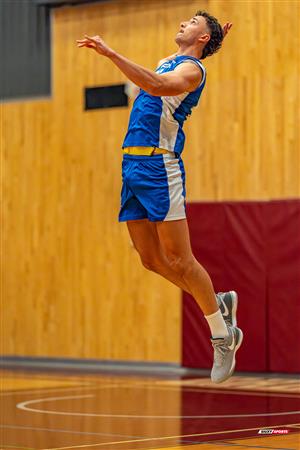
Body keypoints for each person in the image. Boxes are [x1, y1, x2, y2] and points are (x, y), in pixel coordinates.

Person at [77, 10, 243, 383]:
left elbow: (157, 85)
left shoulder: (192, 72)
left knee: (181, 261)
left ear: (202, 38)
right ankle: (218, 303)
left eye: (194, 22)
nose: (185, 22)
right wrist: (214, 39)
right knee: (150, 260)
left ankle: (222, 336)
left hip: (159, 166)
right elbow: (166, 71)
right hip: (131, 167)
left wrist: (111, 54)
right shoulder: (174, 59)